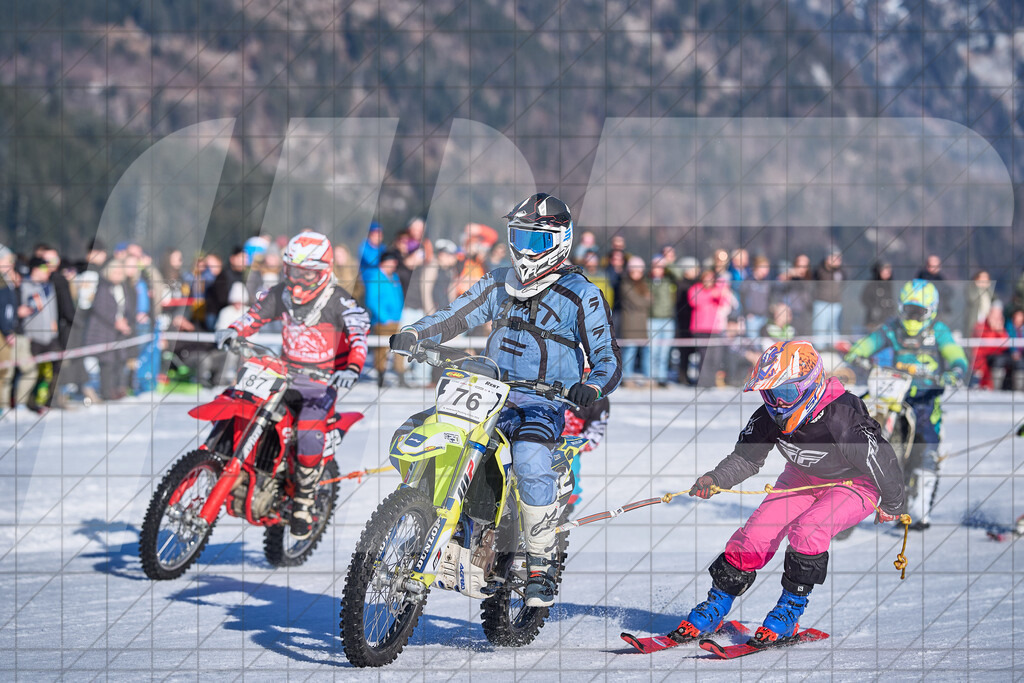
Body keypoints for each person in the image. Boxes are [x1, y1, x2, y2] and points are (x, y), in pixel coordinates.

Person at [390, 192, 621, 608]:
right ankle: (432, 519)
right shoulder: (500, 280)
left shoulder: (580, 293)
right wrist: (417, 335)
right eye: (518, 237)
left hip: (542, 400)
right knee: (415, 432)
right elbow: (457, 313)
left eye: (535, 241)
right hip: (487, 389)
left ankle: (540, 564)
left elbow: (607, 357)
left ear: (560, 242)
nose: (523, 250)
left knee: (531, 456)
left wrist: (594, 386)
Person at [677, 341, 905, 646]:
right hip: (801, 479)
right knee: (755, 535)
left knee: (808, 531)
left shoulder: (842, 416)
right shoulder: (768, 417)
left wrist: (892, 502)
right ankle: (717, 604)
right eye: (769, 394)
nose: (777, 403)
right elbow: (746, 458)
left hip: (855, 484)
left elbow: (882, 458)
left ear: (808, 385)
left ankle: (788, 612)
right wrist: (716, 478)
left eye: (784, 393)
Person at [215, 232, 370, 539]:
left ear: (323, 270)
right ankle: (221, 460)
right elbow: (255, 314)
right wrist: (233, 330)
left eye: (307, 272)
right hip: (283, 373)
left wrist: (352, 367)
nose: (299, 278)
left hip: (321, 382)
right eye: (294, 270)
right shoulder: (281, 293)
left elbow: (358, 333)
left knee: (309, 429)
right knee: (239, 400)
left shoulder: (339, 299)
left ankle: (303, 501)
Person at [844, 279, 968, 530]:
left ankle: (920, 511)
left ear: (930, 311)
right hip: (893, 393)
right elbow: (864, 345)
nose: (911, 317)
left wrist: (955, 370)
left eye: (918, 312)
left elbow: (957, 356)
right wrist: (857, 354)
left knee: (927, 444)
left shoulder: (939, 332)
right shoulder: (892, 328)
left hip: (924, 397)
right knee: (860, 420)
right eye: (908, 310)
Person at [561, 392, 611, 515]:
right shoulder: (552, 382)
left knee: (569, 466)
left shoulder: (598, 399)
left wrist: (565, 442)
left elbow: (593, 439)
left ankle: (566, 507)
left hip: (568, 453)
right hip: (536, 443)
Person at [363, 250, 406, 387]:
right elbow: (371, 300)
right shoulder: (375, 276)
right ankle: (381, 376)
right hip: (382, 321)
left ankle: (400, 376)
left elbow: (398, 297)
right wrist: (384, 317)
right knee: (381, 350)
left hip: (396, 319)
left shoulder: (394, 277)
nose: (393, 265)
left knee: (401, 347)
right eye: (391, 262)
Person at [618, 256, 651, 385]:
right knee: (629, 351)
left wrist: (646, 300)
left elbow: (651, 301)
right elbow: (637, 301)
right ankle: (627, 378)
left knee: (646, 352)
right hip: (630, 324)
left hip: (642, 324)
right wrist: (645, 299)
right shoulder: (625, 284)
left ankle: (648, 378)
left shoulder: (644, 285)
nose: (636, 273)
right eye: (634, 270)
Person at [812, 250, 845, 342]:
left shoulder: (840, 272)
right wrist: (828, 266)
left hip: (836, 304)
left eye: (839, 258)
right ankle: (819, 349)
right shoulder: (820, 270)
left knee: (835, 329)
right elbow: (816, 275)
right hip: (821, 302)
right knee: (820, 328)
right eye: (834, 258)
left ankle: (834, 348)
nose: (837, 261)